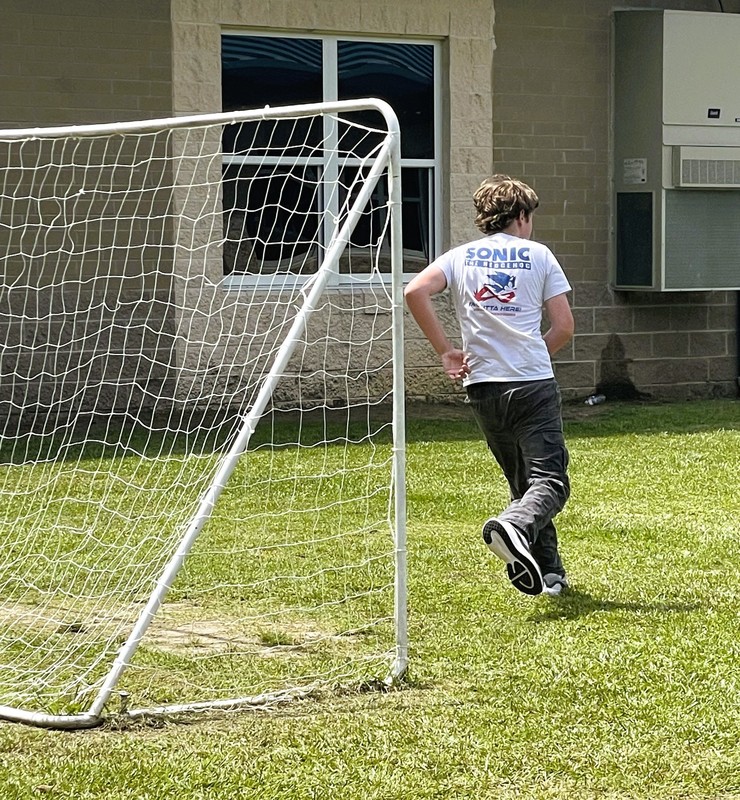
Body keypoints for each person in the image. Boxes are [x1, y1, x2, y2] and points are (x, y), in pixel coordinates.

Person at [404, 174, 574, 597]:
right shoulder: (539, 254)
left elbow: (415, 291)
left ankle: (549, 574)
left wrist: (446, 350)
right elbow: (564, 327)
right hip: (531, 383)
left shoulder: (459, 257)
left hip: (483, 387)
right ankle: (514, 525)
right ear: (522, 216)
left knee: (524, 482)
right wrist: (533, 355)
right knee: (551, 482)